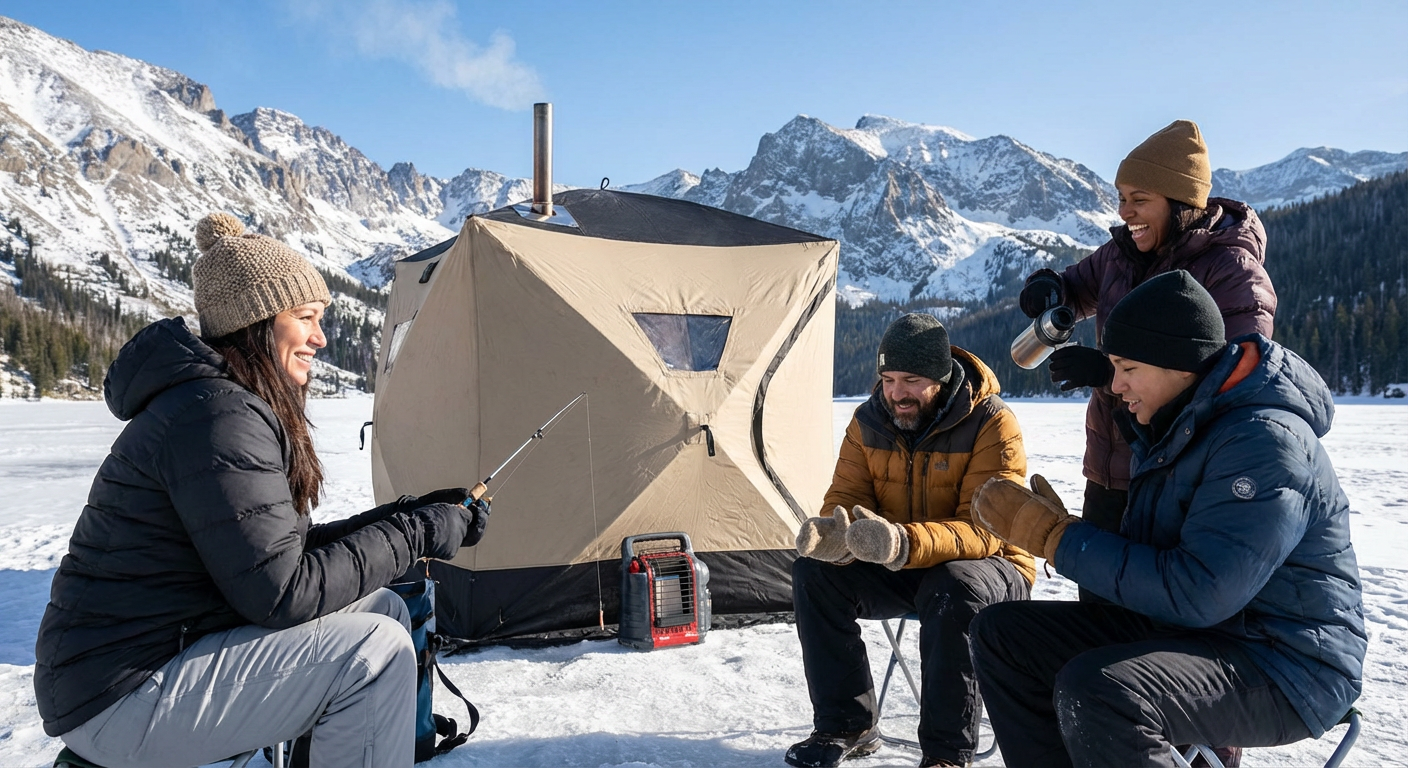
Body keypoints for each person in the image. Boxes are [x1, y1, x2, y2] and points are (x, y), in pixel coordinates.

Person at [34, 213, 490, 768]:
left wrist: (410, 516)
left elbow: (277, 556)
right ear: (256, 323)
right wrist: (417, 532)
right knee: (373, 653)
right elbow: (284, 593)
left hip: (152, 658)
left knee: (387, 609)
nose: (320, 338)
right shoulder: (217, 417)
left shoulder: (218, 403)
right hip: (119, 693)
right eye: (306, 318)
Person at [968, 271, 1365, 768]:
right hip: (1199, 631)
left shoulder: (1264, 443)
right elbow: (1161, 564)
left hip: (1287, 662)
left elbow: (1201, 591)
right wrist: (1066, 530)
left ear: (1180, 364)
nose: (1115, 385)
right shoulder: (1178, 424)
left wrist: (1060, 539)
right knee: (1003, 635)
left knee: (1104, 691)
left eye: (1128, 368)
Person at [1017, 120, 1276, 579]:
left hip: (1179, 477)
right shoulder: (1121, 254)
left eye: (1139, 200)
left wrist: (1110, 374)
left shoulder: (1231, 270)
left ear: (1181, 201)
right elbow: (1075, 286)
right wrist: (1049, 287)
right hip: (1109, 470)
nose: (1125, 213)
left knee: (1153, 600)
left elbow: (1237, 378)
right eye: (1121, 198)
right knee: (1095, 599)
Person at [786, 313, 1033, 768]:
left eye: (911, 381)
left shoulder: (991, 422)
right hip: (901, 560)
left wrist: (902, 542)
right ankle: (847, 724)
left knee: (953, 586)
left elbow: (987, 529)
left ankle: (946, 753)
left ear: (940, 377)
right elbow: (847, 499)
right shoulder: (867, 422)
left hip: (993, 565)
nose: (897, 393)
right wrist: (835, 536)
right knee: (813, 574)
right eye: (888, 380)